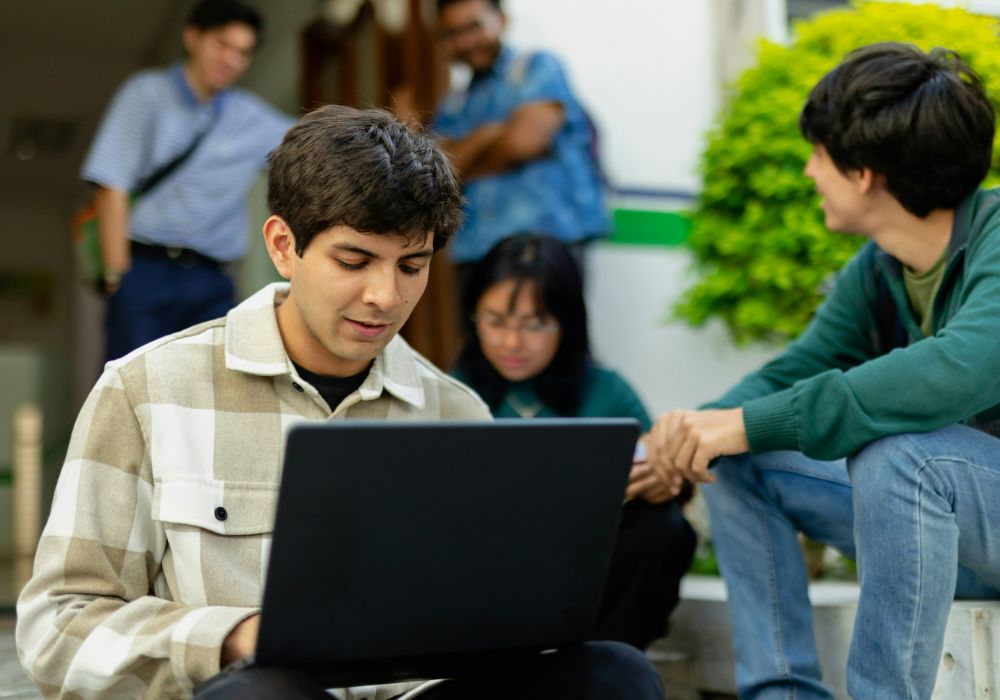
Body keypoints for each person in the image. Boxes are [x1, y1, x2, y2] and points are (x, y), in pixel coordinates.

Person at [17, 106, 665, 700]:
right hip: (251, 694)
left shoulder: (456, 411)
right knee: (262, 694)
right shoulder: (146, 391)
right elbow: (56, 630)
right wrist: (239, 637)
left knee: (614, 675)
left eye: (412, 266)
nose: (385, 295)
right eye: (355, 260)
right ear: (282, 247)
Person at [647, 43, 1000, 699]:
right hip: (957, 538)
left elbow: (958, 369)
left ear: (864, 173)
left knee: (900, 455)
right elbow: (796, 371)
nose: (809, 172)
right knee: (740, 457)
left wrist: (744, 423)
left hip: (983, 507)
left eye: (817, 153)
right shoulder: (878, 269)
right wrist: (682, 440)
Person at [454, 233, 696, 651]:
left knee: (663, 529)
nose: (512, 343)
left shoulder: (607, 392)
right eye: (494, 322)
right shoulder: (451, 393)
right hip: (486, 577)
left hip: (583, 580)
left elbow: (669, 480)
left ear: (568, 323)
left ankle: (607, 667)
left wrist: (665, 480)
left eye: (535, 325)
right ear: (472, 316)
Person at [81, 0, 293, 362]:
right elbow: (110, 184)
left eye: (242, 52)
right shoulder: (146, 94)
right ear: (193, 37)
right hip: (144, 271)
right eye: (222, 45)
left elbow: (317, 146)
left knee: (213, 394)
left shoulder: (251, 118)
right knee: (134, 389)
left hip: (213, 281)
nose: (231, 59)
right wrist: (119, 279)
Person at [430, 0, 607, 284]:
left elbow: (524, 143)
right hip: (476, 252)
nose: (465, 41)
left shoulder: (537, 67)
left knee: (551, 327)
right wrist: (486, 134)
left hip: (545, 243)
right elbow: (436, 172)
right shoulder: (454, 102)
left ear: (500, 19)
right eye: (452, 33)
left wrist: (465, 160)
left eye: (474, 27)